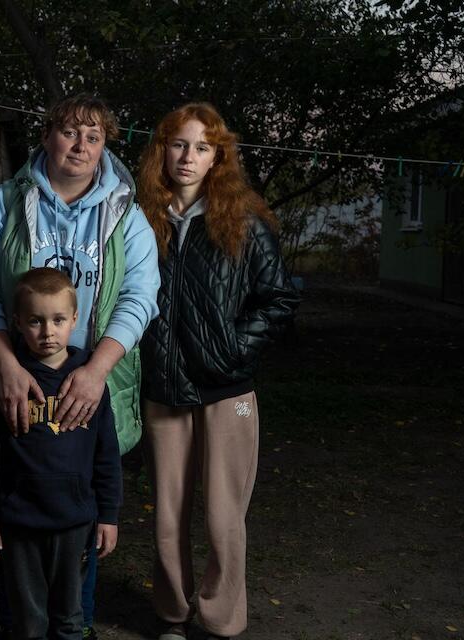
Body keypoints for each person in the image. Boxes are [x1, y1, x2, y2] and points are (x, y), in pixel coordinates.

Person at [0, 93, 159, 638]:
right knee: (16, 518)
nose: (82, 145)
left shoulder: (127, 215)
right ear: (47, 136)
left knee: (80, 529)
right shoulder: (4, 204)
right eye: (70, 132)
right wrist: (4, 363)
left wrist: (95, 372)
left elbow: (141, 296)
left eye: (94, 136)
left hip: (88, 388)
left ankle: (74, 626)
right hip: (20, 382)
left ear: (104, 146)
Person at [135, 103, 300, 640]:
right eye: (179, 144)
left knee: (224, 518)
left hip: (227, 388)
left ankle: (222, 621)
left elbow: (278, 299)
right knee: (167, 516)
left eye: (202, 147)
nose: (188, 157)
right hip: (163, 385)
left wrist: (233, 350)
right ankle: (173, 615)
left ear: (217, 159)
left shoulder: (243, 220)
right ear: (162, 150)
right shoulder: (137, 219)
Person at [0, 267, 122, 640]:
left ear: (75, 320)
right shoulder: (9, 384)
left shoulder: (90, 384)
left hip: (75, 522)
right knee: (27, 624)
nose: (47, 331)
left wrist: (109, 516)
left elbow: (107, 458)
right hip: (19, 521)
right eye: (35, 321)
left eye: (57, 320)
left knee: (71, 621)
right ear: (18, 323)